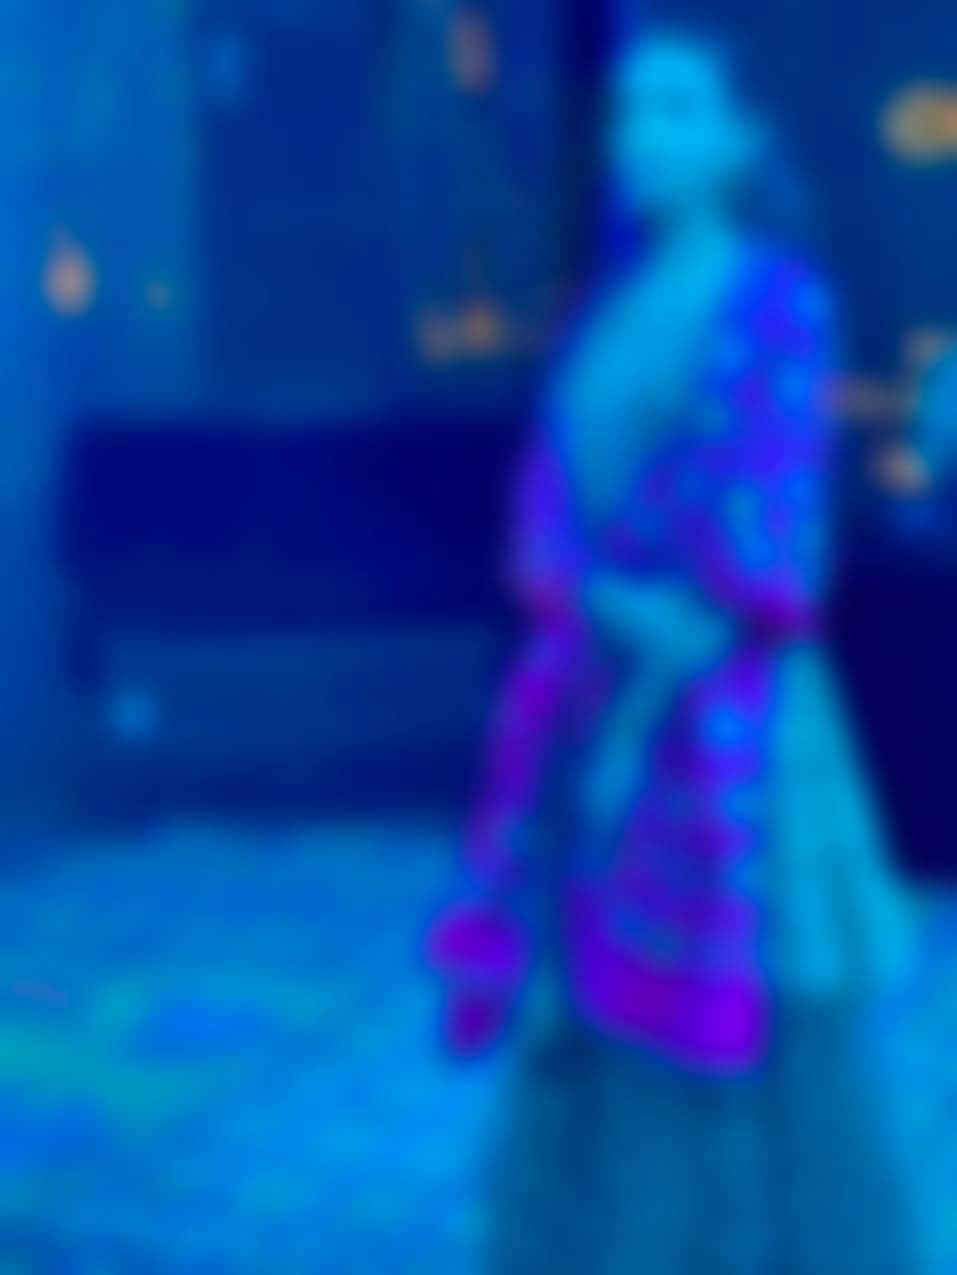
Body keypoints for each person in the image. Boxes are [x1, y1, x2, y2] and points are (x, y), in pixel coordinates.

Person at [427, 16, 929, 1274]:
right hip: (592, 697)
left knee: (757, 1043)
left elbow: (763, 532)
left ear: (740, 141)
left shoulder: (779, 301)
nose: (642, 137)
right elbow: (547, 511)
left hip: (727, 719)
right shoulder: (605, 308)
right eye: (629, 112)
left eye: (678, 110)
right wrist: (597, 629)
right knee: (588, 1024)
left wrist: (639, 714)